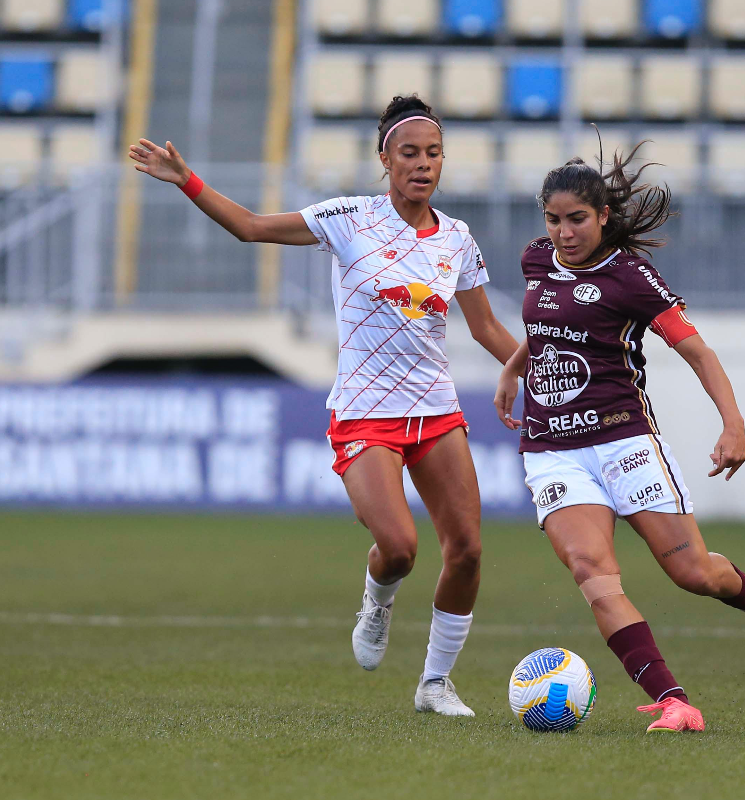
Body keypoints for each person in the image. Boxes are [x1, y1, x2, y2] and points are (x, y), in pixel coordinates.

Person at [131, 95, 518, 717]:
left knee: (467, 549)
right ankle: (378, 600)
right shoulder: (348, 219)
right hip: (366, 411)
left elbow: (487, 330)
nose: (423, 164)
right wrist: (189, 182)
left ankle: (435, 684)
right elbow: (252, 227)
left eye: (434, 153)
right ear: (385, 159)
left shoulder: (457, 240)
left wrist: (542, 362)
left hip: (435, 409)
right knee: (399, 547)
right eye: (410, 153)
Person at [493, 147, 745, 734]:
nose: (564, 232)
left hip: (625, 442)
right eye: (553, 219)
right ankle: (674, 701)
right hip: (553, 451)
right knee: (591, 570)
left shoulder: (630, 277)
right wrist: (515, 368)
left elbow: (695, 349)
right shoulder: (536, 261)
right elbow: (543, 327)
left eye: (576, 219)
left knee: (693, 573)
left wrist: (733, 424)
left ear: (601, 215)